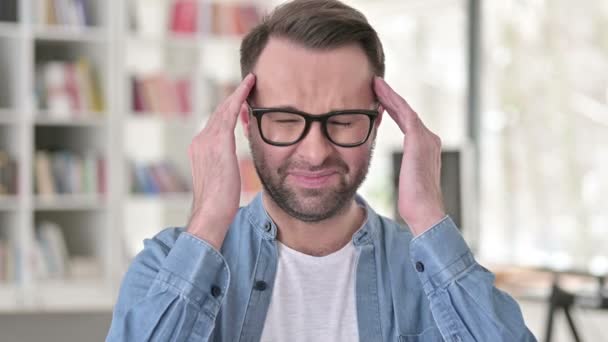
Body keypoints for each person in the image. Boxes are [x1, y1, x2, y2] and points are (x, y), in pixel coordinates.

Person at [107, 0, 536, 341]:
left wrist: (428, 218)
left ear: (377, 120)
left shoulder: (428, 273)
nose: (314, 153)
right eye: (286, 120)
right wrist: (207, 223)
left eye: (344, 120)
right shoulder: (165, 264)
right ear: (245, 121)